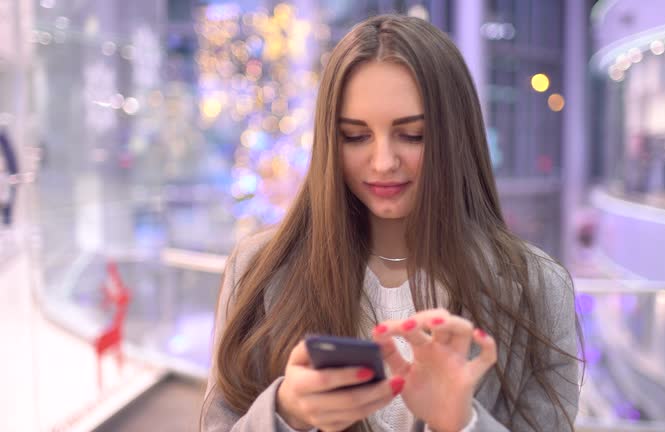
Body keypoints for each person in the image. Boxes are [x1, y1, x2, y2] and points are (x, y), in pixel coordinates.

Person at [202, 14, 582, 432]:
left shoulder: (537, 287)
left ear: (455, 135)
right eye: (355, 136)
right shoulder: (259, 268)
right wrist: (285, 414)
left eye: (413, 135)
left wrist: (462, 423)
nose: (383, 162)